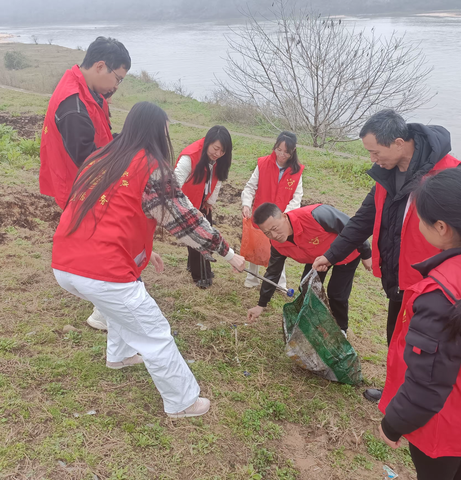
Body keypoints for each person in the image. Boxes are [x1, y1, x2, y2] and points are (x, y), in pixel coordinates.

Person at [51, 102, 245, 418]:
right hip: (102, 269)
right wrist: (228, 253)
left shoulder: (102, 156)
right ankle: (183, 402)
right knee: (154, 332)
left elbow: (108, 211)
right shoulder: (152, 168)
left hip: (65, 261)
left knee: (118, 309)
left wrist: (145, 247)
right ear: (157, 132)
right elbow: (187, 221)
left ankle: (120, 355)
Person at [312, 110, 461, 401]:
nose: (373, 159)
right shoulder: (387, 176)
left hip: (434, 284)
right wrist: (331, 255)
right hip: (398, 279)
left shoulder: (450, 174)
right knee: (396, 338)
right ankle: (396, 390)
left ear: (398, 143)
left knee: (426, 346)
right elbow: (362, 221)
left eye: (375, 151)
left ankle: (417, 402)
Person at [378, 168, 461, 480]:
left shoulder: (444, 294)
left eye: (419, 219)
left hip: (443, 424)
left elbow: (428, 382)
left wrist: (393, 424)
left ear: (441, 227)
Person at [40, 36, 131, 330]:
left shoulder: (88, 92)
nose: (116, 86)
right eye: (117, 78)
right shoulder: (73, 103)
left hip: (91, 181)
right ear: (101, 66)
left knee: (101, 245)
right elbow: (86, 156)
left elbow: (101, 136)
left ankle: (103, 309)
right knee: (104, 246)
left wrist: (122, 144)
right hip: (81, 186)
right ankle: (105, 308)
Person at [246, 203, 372, 335]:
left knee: (336, 293)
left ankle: (341, 329)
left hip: (345, 253)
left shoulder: (316, 215)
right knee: (306, 288)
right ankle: (315, 323)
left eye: (275, 228)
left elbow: (351, 227)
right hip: (316, 259)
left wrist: (366, 252)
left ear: (283, 216)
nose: (274, 235)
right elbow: (273, 272)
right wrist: (261, 304)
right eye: (267, 233)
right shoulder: (277, 245)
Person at [241, 131, 304, 289]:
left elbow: (297, 198)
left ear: (293, 151)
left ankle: (279, 283)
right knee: (256, 245)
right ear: (275, 147)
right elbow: (250, 187)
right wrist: (246, 204)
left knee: (279, 249)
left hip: (280, 219)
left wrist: (285, 216)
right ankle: (252, 278)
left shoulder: (297, 172)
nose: (282, 155)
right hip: (261, 214)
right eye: (279, 150)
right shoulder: (263, 164)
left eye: (286, 152)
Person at [174, 126, 232, 288]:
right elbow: (174, 185)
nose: (218, 154)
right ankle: (200, 275)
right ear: (208, 142)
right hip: (185, 203)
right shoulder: (190, 157)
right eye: (215, 148)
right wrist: (189, 208)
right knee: (198, 238)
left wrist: (209, 202)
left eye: (222, 151)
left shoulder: (219, 160)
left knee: (208, 234)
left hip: (202, 201)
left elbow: (218, 180)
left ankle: (194, 266)